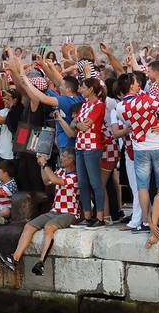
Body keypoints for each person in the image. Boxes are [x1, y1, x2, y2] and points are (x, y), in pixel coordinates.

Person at [0, 148, 80, 276]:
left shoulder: (75, 175)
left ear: (71, 160)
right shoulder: (61, 171)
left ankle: (41, 262)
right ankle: (15, 258)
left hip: (69, 212)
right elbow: (47, 181)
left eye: (64, 156)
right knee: (29, 226)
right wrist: (41, 165)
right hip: (55, 210)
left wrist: (45, 164)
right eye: (62, 156)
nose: (61, 158)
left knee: (49, 227)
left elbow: (57, 181)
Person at [118, 72, 159, 234]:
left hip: (140, 148)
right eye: (136, 82)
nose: (139, 84)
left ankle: (145, 221)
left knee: (142, 186)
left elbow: (128, 123)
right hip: (158, 145)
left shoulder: (121, 107)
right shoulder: (147, 99)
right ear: (131, 86)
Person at [54, 78, 107, 228]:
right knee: (82, 183)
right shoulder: (84, 105)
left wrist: (77, 123)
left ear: (91, 89)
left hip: (92, 147)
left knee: (95, 183)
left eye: (83, 87)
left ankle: (100, 217)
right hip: (80, 146)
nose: (80, 89)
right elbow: (76, 124)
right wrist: (78, 123)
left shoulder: (99, 105)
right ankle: (88, 216)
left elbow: (82, 126)